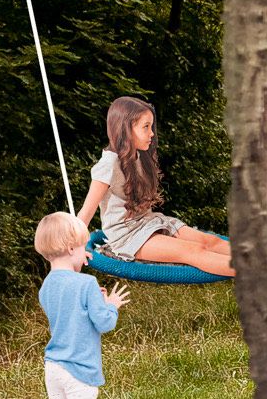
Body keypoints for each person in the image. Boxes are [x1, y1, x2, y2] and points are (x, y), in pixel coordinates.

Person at [73, 95, 233, 278]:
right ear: (126, 129)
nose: (151, 133)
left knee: (210, 241)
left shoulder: (140, 156)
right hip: (128, 236)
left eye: (151, 127)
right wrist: (74, 247)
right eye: (146, 127)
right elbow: (85, 214)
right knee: (193, 251)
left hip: (150, 222)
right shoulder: (109, 164)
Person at [34, 210, 127, 399]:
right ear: (72, 248)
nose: (87, 254)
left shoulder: (47, 286)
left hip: (54, 366)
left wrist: (91, 297)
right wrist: (110, 304)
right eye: (84, 247)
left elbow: (70, 314)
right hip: (80, 370)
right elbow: (104, 323)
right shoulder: (85, 284)